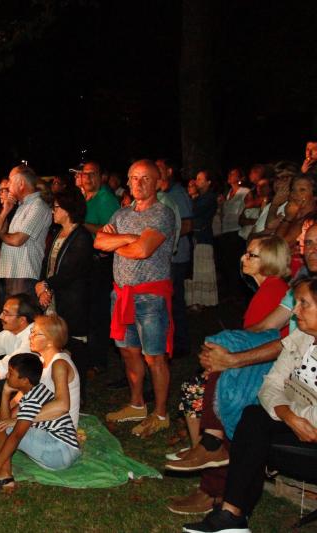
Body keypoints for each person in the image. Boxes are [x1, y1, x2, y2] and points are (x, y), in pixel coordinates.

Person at [165, 235, 291, 515]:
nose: (243, 258)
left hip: (270, 370)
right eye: (245, 253)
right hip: (257, 365)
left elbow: (260, 338)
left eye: (252, 255)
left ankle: (211, 478)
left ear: (269, 260)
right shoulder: (267, 290)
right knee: (202, 388)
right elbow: (252, 336)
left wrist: (221, 355)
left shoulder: (273, 290)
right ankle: (207, 460)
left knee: (203, 395)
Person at [181, 277, 317, 533]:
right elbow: (271, 385)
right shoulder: (301, 338)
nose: (296, 311)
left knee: (258, 427)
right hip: (298, 421)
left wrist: (293, 414)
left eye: (303, 304)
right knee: (253, 416)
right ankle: (232, 516)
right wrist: (287, 414)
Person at [96, 159, 176, 438]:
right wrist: (130, 238)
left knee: (154, 356)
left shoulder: (162, 214)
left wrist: (119, 242)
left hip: (150, 297)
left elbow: (143, 250)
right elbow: (98, 242)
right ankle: (137, 404)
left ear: (157, 182)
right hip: (120, 294)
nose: (138, 183)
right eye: (134, 178)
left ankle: (161, 413)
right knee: (128, 352)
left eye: (145, 178)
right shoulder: (121, 215)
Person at [0, 350, 80, 493]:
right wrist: (5, 393)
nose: (6, 375)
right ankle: (4, 475)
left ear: (24, 381)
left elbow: (16, 435)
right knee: (0, 427)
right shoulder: (36, 392)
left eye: (10, 373)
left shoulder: (32, 400)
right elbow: (6, 421)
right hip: (61, 453)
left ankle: (5, 476)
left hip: (59, 450)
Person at [35, 187, 94, 383]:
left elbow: (71, 271)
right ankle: (54, 386)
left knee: (73, 345)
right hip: (53, 296)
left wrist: (46, 285)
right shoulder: (58, 233)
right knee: (54, 344)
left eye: (57, 207)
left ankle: (76, 390)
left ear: (68, 210)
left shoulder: (81, 237)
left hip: (72, 300)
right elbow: (47, 263)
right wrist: (43, 286)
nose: (53, 211)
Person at [76, 161, 120, 371]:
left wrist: (81, 224)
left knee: (98, 312)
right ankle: (90, 355)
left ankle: (99, 359)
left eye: (93, 174)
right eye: (85, 174)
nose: (88, 178)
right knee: (88, 310)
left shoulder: (106, 199)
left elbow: (110, 229)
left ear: (101, 176)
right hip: (86, 261)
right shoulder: (85, 198)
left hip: (101, 261)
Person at [0, 164, 53, 301]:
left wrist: (1, 236)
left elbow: (17, 240)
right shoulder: (19, 206)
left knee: (23, 318)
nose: (8, 185)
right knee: (9, 319)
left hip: (24, 275)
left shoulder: (38, 206)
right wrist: (5, 210)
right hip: (9, 271)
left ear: (21, 183)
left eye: (10, 180)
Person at [157, 159, 194, 359]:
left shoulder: (177, 195)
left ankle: (181, 343)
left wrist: (160, 236)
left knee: (175, 301)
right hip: (168, 256)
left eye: (159, 168)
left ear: (169, 171)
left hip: (177, 257)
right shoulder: (162, 195)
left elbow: (187, 225)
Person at [185, 170, 219, 308]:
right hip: (196, 237)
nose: (196, 181)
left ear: (208, 182)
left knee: (202, 269)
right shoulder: (199, 197)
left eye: (200, 179)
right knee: (195, 269)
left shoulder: (209, 198)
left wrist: (192, 196)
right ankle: (194, 300)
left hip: (203, 237)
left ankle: (203, 300)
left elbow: (193, 211)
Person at [217, 168, 251, 300]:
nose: (230, 175)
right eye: (229, 173)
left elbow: (247, 209)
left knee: (236, 262)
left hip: (237, 230)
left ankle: (238, 293)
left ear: (240, 177)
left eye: (233, 174)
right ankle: (231, 291)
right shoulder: (228, 194)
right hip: (225, 230)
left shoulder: (245, 192)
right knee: (226, 262)